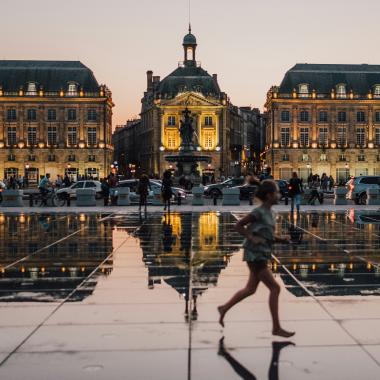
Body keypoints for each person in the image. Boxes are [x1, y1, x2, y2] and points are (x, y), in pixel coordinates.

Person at [217, 180, 295, 338]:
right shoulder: (258, 212)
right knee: (275, 288)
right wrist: (251, 237)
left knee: (250, 289)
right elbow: (238, 225)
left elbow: (267, 235)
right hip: (255, 255)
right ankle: (276, 327)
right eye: (277, 192)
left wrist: (281, 240)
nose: (279, 195)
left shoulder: (271, 213)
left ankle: (224, 308)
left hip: (262, 253)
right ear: (269, 196)